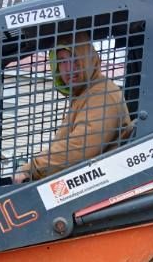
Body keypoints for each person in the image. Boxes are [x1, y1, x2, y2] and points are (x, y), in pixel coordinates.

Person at [13, 32, 132, 183]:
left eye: (75, 59)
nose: (69, 68)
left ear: (87, 60)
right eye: (62, 61)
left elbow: (79, 147)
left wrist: (33, 168)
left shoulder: (102, 94)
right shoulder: (83, 95)